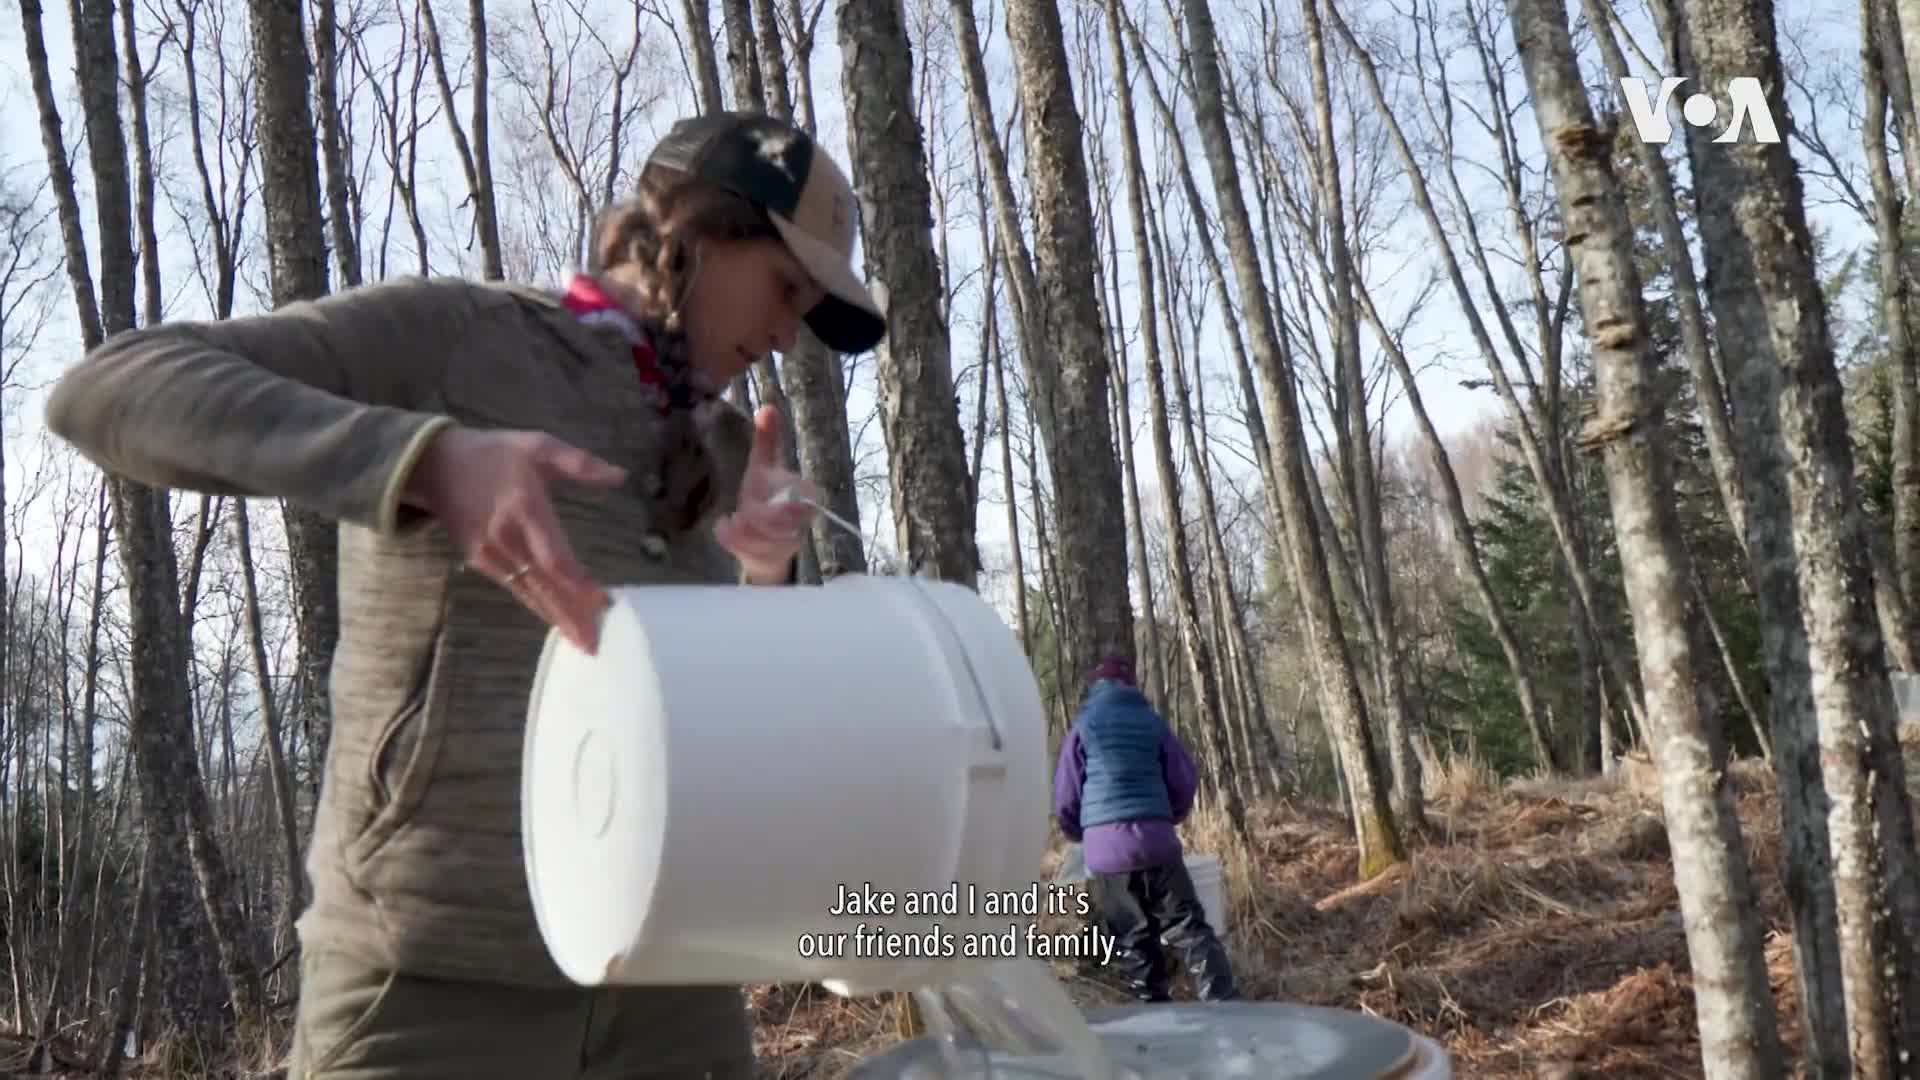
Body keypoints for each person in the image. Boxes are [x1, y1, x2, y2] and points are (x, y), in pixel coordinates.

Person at [45, 111, 887, 1079]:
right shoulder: (462, 339)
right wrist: (424, 459)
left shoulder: (735, 450)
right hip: (432, 981)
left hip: (668, 980)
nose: (787, 332)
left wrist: (768, 579)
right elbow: (107, 389)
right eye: (786, 287)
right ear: (697, 230)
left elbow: (740, 743)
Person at [1053, 656, 1238, 1003]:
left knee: (1134, 943)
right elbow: (1184, 779)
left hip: (1107, 855)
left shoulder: (1083, 727)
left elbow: (1065, 795)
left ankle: (1153, 1023)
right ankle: (1224, 1010)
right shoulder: (1153, 723)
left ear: (1096, 688)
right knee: (1190, 931)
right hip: (1157, 844)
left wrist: (1081, 833)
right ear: (1132, 687)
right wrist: (1169, 816)